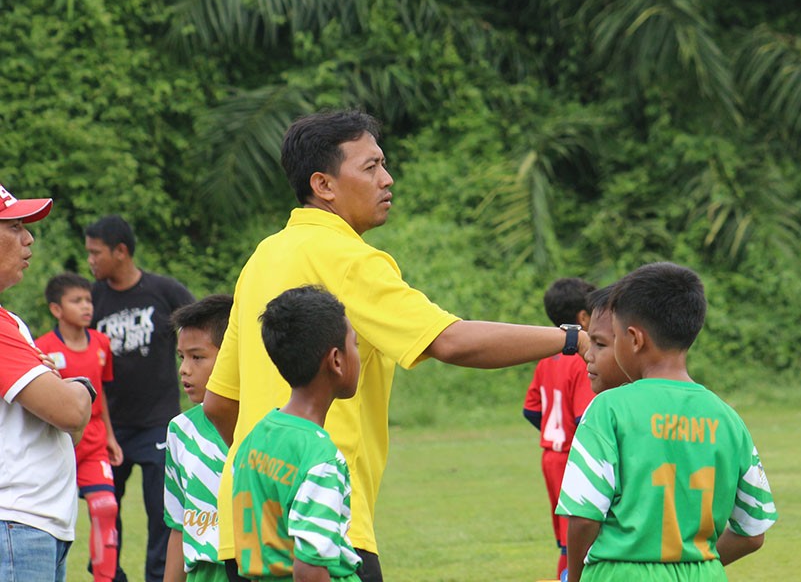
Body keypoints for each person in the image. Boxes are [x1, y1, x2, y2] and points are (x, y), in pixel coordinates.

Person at [203, 110, 588, 582]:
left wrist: (269, 469)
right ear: (323, 184)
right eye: (370, 168)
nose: (387, 180)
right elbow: (450, 340)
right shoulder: (349, 259)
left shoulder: (262, 257)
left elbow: (220, 402)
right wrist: (571, 338)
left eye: (384, 165)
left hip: (244, 531)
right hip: (325, 527)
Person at [556, 262, 777, 582]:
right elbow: (753, 532)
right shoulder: (728, 418)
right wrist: (695, 565)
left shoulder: (608, 409)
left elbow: (583, 515)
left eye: (612, 338)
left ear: (634, 339)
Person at [86, 214, 197, 582]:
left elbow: (203, 333)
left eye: (95, 253)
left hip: (157, 426)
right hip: (109, 429)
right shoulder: (92, 300)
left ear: (121, 252)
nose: (90, 261)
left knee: (162, 515)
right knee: (104, 513)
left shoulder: (163, 292)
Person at [232, 286, 361, 582]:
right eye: (355, 345)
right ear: (336, 360)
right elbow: (310, 568)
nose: (358, 355)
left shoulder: (256, 438)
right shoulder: (320, 459)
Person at [0, 182, 94, 582]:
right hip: (15, 526)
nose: (28, 238)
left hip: (26, 527)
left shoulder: (8, 322)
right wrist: (82, 386)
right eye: (14, 226)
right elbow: (69, 412)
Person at [35, 272, 124, 582]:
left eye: (88, 299)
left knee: (105, 507)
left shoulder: (102, 344)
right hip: (59, 445)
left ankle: (105, 577)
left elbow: (101, 395)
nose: (87, 306)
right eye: (76, 301)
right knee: (57, 517)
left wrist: (111, 437)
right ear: (56, 309)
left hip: (96, 442)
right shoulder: (42, 348)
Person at [523, 277, 597, 579]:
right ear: (583, 318)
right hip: (571, 458)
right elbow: (585, 418)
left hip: (550, 457)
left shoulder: (548, 358)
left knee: (566, 542)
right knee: (578, 542)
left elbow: (530, 409)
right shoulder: (583, 360)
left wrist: (554, 434)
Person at [163, 294, 233, 582]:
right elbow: (178, 525)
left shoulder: (266, 426)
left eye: (197, 357)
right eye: (182, 357)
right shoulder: (180, 431)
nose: (184, 369)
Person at [580, 285, 631, 396]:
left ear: (636, 342)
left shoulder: (604, 406)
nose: (587, 356)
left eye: (600, 344)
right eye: (590, 342)